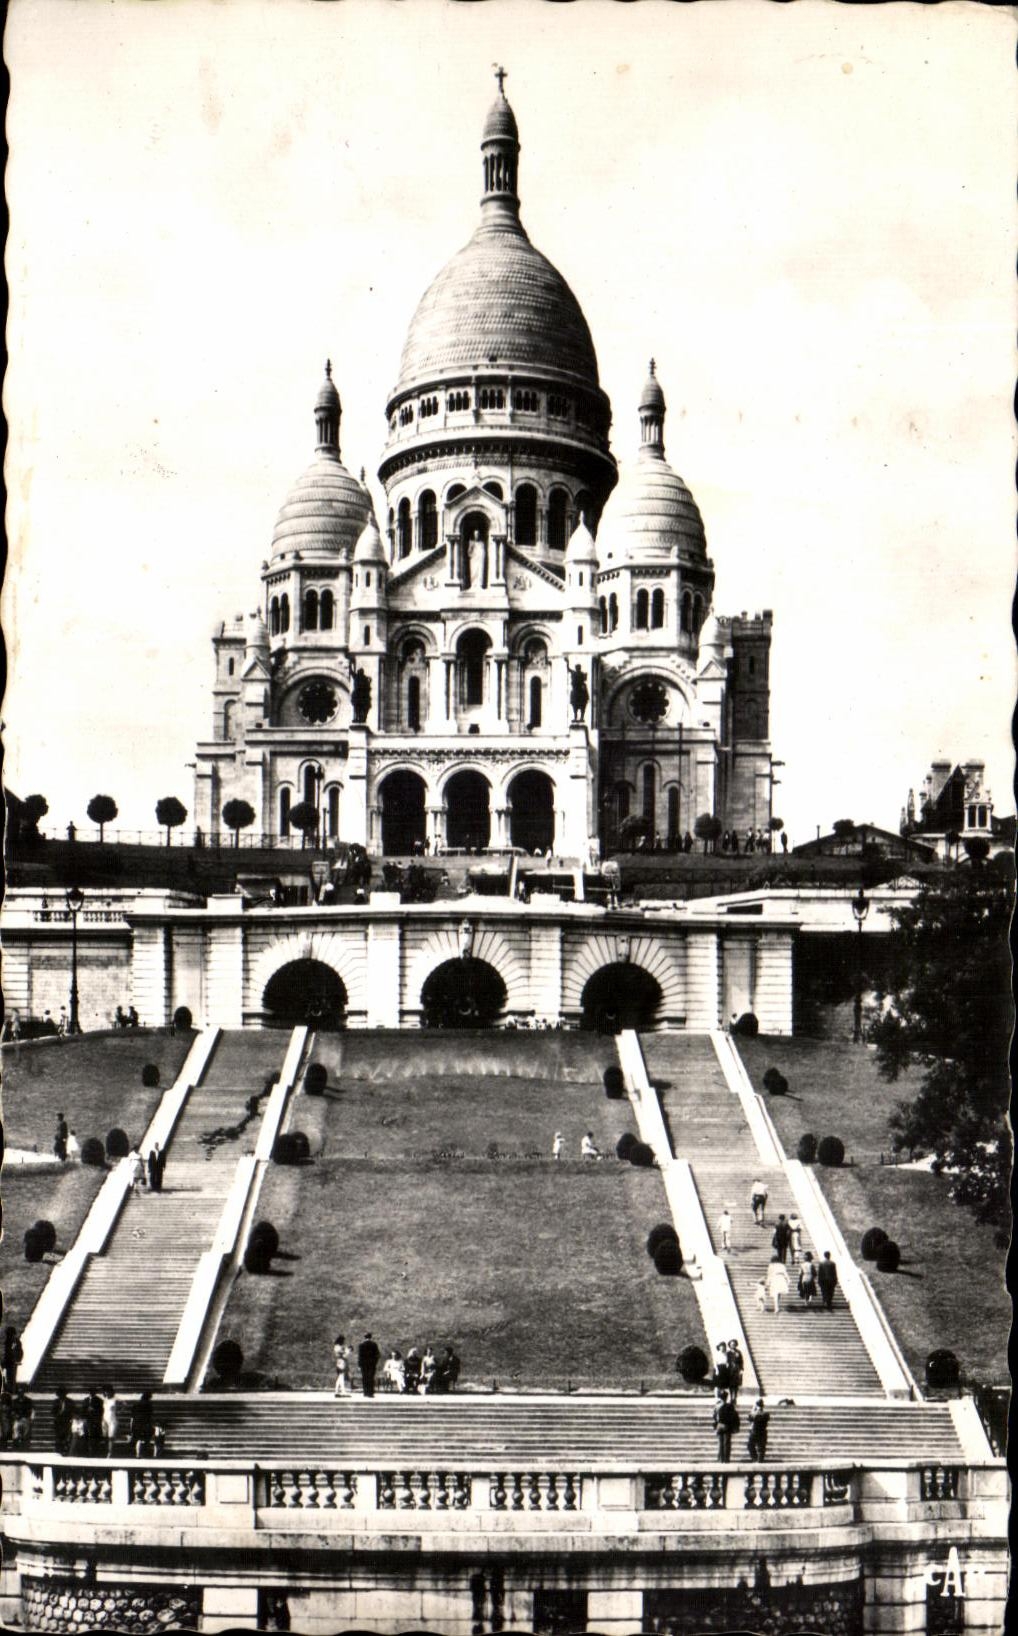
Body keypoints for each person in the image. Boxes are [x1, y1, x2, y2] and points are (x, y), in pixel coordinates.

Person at [712, 1390, 739, 1463]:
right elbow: (733, 1416)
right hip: (727, 1426)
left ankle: (721, 1459)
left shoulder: (717, 1406)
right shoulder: (730, 1406)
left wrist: (715, 1426)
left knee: (720, 1443)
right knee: (726, 1443)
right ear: (726, 1398)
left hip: (719, 1425)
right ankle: (726, 1459)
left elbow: (714, 1417)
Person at [130, 1391, 157, 1457]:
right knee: (146, 1439)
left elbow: (132, 1416)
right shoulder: (149, 1405)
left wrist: (131, 1425)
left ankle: (138, 1453)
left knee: (138, 1439)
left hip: (137, 1423)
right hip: (146, 1423)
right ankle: (144, 1452)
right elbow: (150, 1416)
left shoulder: (136, 1404)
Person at [358, 1332, 380, 1398]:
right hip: (372, 1364)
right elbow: (377, 1355)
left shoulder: (361, 1345)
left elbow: (360, 1356)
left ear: (364, 1337)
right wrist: (375, 1362)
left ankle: (365, 1392)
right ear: (371, 1337)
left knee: (365, 1378)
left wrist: (359, 1365)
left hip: (364, 1364)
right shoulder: (374, 1344)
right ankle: (370, 1393)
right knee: (371, 1378)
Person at [3, 1327, 23, 1392]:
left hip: (12, 1361)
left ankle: (12, 1389)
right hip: (9, 1361)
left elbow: (12, 1349)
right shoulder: (9, 1341)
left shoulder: (14, 1341)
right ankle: (11, 1389)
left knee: (11, 1376)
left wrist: (16, 1359)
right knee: (9, 1376)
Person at [101, 1389, 120, 1457]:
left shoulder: (115, 1399)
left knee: (111, 1437)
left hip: (112, 1420)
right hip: (105, 1419)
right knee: (105, 1437)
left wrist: (119, 1411)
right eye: (106, 1392)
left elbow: (124, 1404)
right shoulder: (105, 1400)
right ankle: (106, 1451)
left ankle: (110, 1453)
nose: (107, 1393)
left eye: (108, 1392)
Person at [53, 1389, 73, 1456]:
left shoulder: (70, 1401)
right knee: (58, 1436)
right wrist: (57, 1413)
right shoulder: (56, 1401)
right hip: (58, 1422)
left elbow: (73, 1410)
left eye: (63, 1394)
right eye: (60, 1395)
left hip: (66, 1421)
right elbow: (52, 1411)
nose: (61, 1396)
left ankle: (65, 1450)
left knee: (66, 1436)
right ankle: (58, 1450)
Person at [727, 1340, 744, 1407]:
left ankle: (735, 1397)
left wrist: (741, 1369)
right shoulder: (728, 1353)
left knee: (736, 1385)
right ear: (730, 1345)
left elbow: (741, 1361)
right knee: (730, 1385)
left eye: (734, 1344)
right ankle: (731, 1397)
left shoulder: (738, 1352)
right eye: (731, 1344)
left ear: (736, 1345)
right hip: (730, 1370)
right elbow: (727, 1361)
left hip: (737, 1370)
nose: (733, 1345)